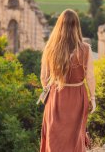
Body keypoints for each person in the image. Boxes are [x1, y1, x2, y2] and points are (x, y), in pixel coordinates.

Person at [40, 9, 96, 152]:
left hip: (56, 96)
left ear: (59, 25)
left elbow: (44, 77)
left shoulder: (50, 48)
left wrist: (51, 91)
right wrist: (93, 98)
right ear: (76, 26)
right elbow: (90, 77)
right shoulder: (86, 49)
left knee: (55, 137)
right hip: (77, 96)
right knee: (75, 137)